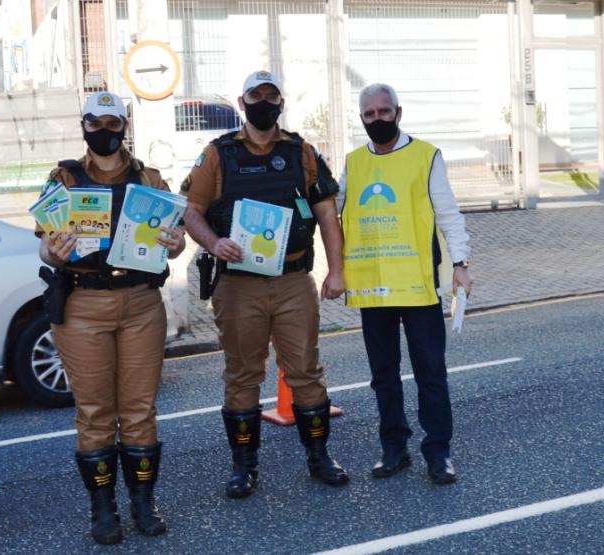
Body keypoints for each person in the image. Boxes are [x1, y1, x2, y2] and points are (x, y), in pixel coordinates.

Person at [182, 70, 349, 498]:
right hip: (239, 287)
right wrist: (213, 241)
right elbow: (190, 210)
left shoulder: (302, 152)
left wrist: (336, 271)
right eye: (256, 96)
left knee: (306, 373)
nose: (264, 103)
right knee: (242, 376)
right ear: (242, 102)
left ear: (281, 103)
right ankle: (244, 467)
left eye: (271, 96)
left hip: (294, 280)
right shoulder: (218, 154)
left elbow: (328, 213)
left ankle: (319, 457)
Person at [38, 91, 186, 545]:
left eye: (112, 123)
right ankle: (103, 510)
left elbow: (176, 240)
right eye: (94, 123)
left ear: (125, 126)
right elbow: (45, 242)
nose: (104, 131)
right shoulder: (64, 179)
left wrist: (175, 243)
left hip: (141, 300)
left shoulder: (150, 179)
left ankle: (144, 503)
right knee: (95, 413)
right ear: (83, 126)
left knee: (140, 410)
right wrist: (53, 251)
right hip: (83, 305)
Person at [337, 83, 473, 485]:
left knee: (430, 371)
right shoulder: (354, 162)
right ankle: (394, 449)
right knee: (383, 374)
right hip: (373, 288)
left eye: (384, 111)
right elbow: (333, 209)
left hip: (418, 285)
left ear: (398, 112)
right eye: (369, 114)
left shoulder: (426, 156)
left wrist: (461, 263)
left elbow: (448, 212)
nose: (377, 119)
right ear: (361, 118)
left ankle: (438, 452)